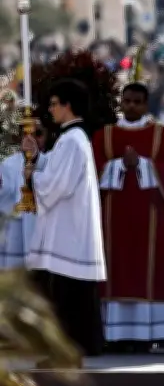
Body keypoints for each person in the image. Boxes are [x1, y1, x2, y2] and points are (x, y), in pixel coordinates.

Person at [92, 83, 164, 353]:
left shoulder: (161, 136)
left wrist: (142, 164)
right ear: (121, 102)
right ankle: (114, 336)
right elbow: (92, 170)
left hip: (149, 218)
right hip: (113, 221)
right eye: (127, 101)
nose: (131, 106)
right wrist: (119, 165)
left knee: (146, 268)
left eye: (137, 102)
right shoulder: (104, 136)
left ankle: (145, 336)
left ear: (146, 104)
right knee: (115, 268)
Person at [23, 78, 106, 357]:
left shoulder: (72, 140)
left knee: (69, 294)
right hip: (70, 229)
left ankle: (69, 349)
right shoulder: (72, 139)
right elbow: (59, 171)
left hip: (69, 232)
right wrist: (39, 158)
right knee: (71, 293)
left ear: (68, 105)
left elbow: (59, 185)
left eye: (55, 103)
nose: (51, 109)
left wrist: (34, 176)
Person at [0, 123, 46, 268]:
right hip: (17, 227)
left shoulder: (51, 161)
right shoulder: (9, 163)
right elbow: (5, 192)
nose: (32, 139)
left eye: (38, 134)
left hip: (44, 226)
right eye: (27, 134)